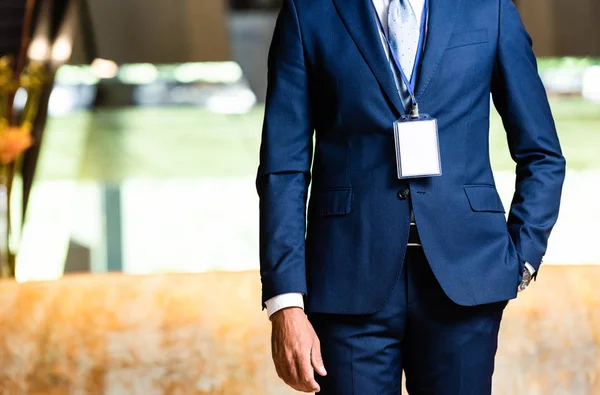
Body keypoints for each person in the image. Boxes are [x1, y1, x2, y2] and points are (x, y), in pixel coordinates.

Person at [256, 0, 566, 393]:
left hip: (466, 279)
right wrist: (285, 302)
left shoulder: (491, 8)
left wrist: (520, 258)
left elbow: (542, 154)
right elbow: (283, 169)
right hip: (345, 280)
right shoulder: (308, 12)